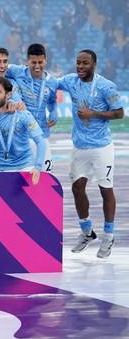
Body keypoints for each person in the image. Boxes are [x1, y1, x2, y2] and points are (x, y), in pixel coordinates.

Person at [58, 50, 124, 258]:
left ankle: (109, 235)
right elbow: (50, 83)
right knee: (77, 188)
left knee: (105, 189)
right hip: (80, 146)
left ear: (94, 64)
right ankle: (87, 231)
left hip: (102, 147)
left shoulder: (106, 86)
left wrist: (93, 114)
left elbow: (119, 113)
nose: (80, 67)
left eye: (85, 63)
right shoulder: (70, 81)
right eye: (78, 63)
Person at [0, 77, 46, 184]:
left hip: (25, 167)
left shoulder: (22, 113)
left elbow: (41, 142)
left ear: (8, 95)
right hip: (0, 169)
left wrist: (37, 167)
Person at [6, 43, 58, 172]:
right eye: (33, 62)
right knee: (21, 177)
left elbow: (52, 100)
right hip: (21, 135)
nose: (37, 66)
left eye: (40, 62)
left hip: (41, 134)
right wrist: (13, 96)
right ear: (27, 61)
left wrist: (54, 111)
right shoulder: (17, 71)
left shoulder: (52, 82)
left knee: (46, 175)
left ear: (45, 61)